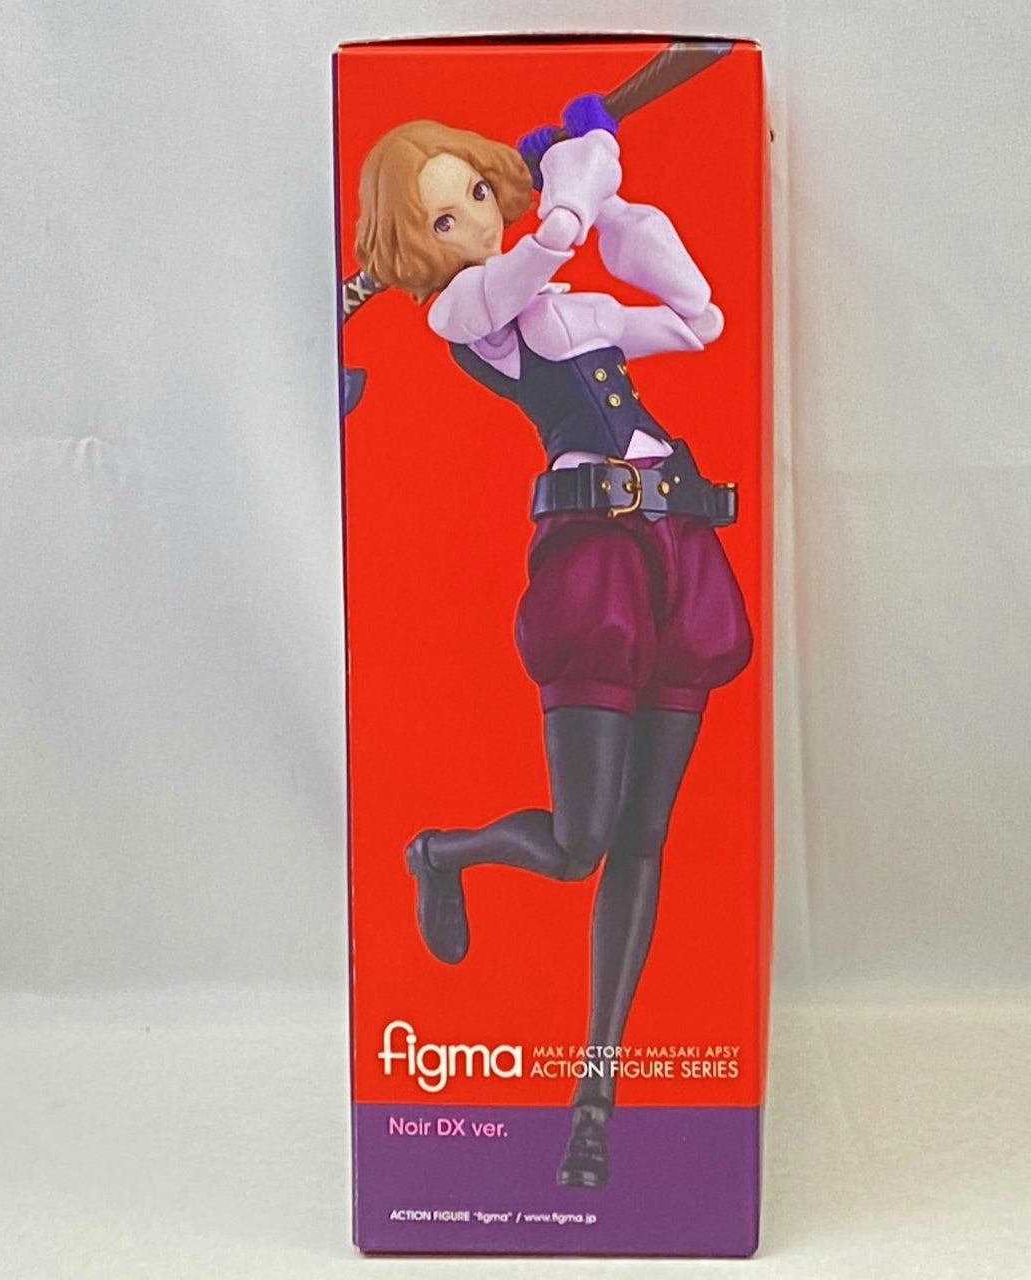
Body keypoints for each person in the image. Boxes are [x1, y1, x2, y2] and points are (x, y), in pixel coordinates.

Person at [354, 102, 752, 1188]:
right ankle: (442, 854)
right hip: (595, 568)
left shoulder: (574, 308)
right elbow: (538, 252)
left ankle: (595, 1090)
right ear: (417, 247)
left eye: (480, 194)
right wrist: (572, 188)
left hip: (680, 550)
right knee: (581, 844)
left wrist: (615, 206)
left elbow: (699, 317)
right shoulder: (466, 316)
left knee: (644, 835)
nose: (476, 222)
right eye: (444, 218)